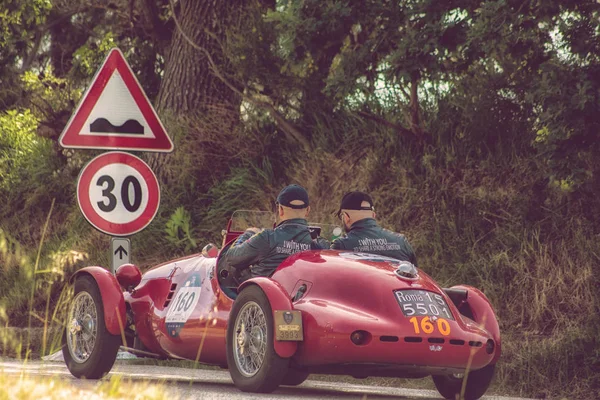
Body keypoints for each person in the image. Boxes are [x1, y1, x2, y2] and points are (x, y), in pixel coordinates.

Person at [219, 184, 325, 278]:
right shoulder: (320, 245)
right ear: (308, 211)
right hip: (298, 297)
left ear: (280, 210)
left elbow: (231, 257)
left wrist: (248, 234)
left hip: (261, 297)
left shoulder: (266, 237)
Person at [331, 191, 417, 265]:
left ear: (346, 217)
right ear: (373, 215)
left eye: (341, 216)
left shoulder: (341, 245)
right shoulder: (401, 241)